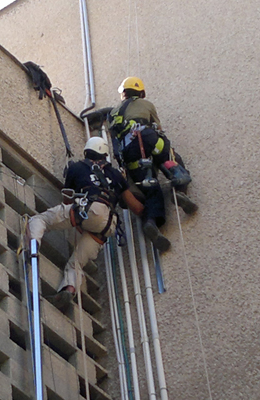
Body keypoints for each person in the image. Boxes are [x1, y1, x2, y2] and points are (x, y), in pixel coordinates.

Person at [28, 137, 144, 310]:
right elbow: (136, 207)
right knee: (77, 263)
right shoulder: (116, 175)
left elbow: (67, 201)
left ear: (87, 151)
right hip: (108, 226)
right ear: (104, 154)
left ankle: (32, 246)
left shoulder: (77, 167)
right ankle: (69, 289)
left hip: (91, 211)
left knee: (39, 220)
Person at [108, 76, 197, 252]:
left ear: (124, 93)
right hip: (147, 137)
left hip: (129, 153)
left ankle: (151, 222)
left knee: (151, 188)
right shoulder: (147, 105)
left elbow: (115, 145)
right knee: (169, 157)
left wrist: (124, 166)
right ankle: (180, 188)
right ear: (141, 92)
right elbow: (158, 129)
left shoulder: (113, 114)